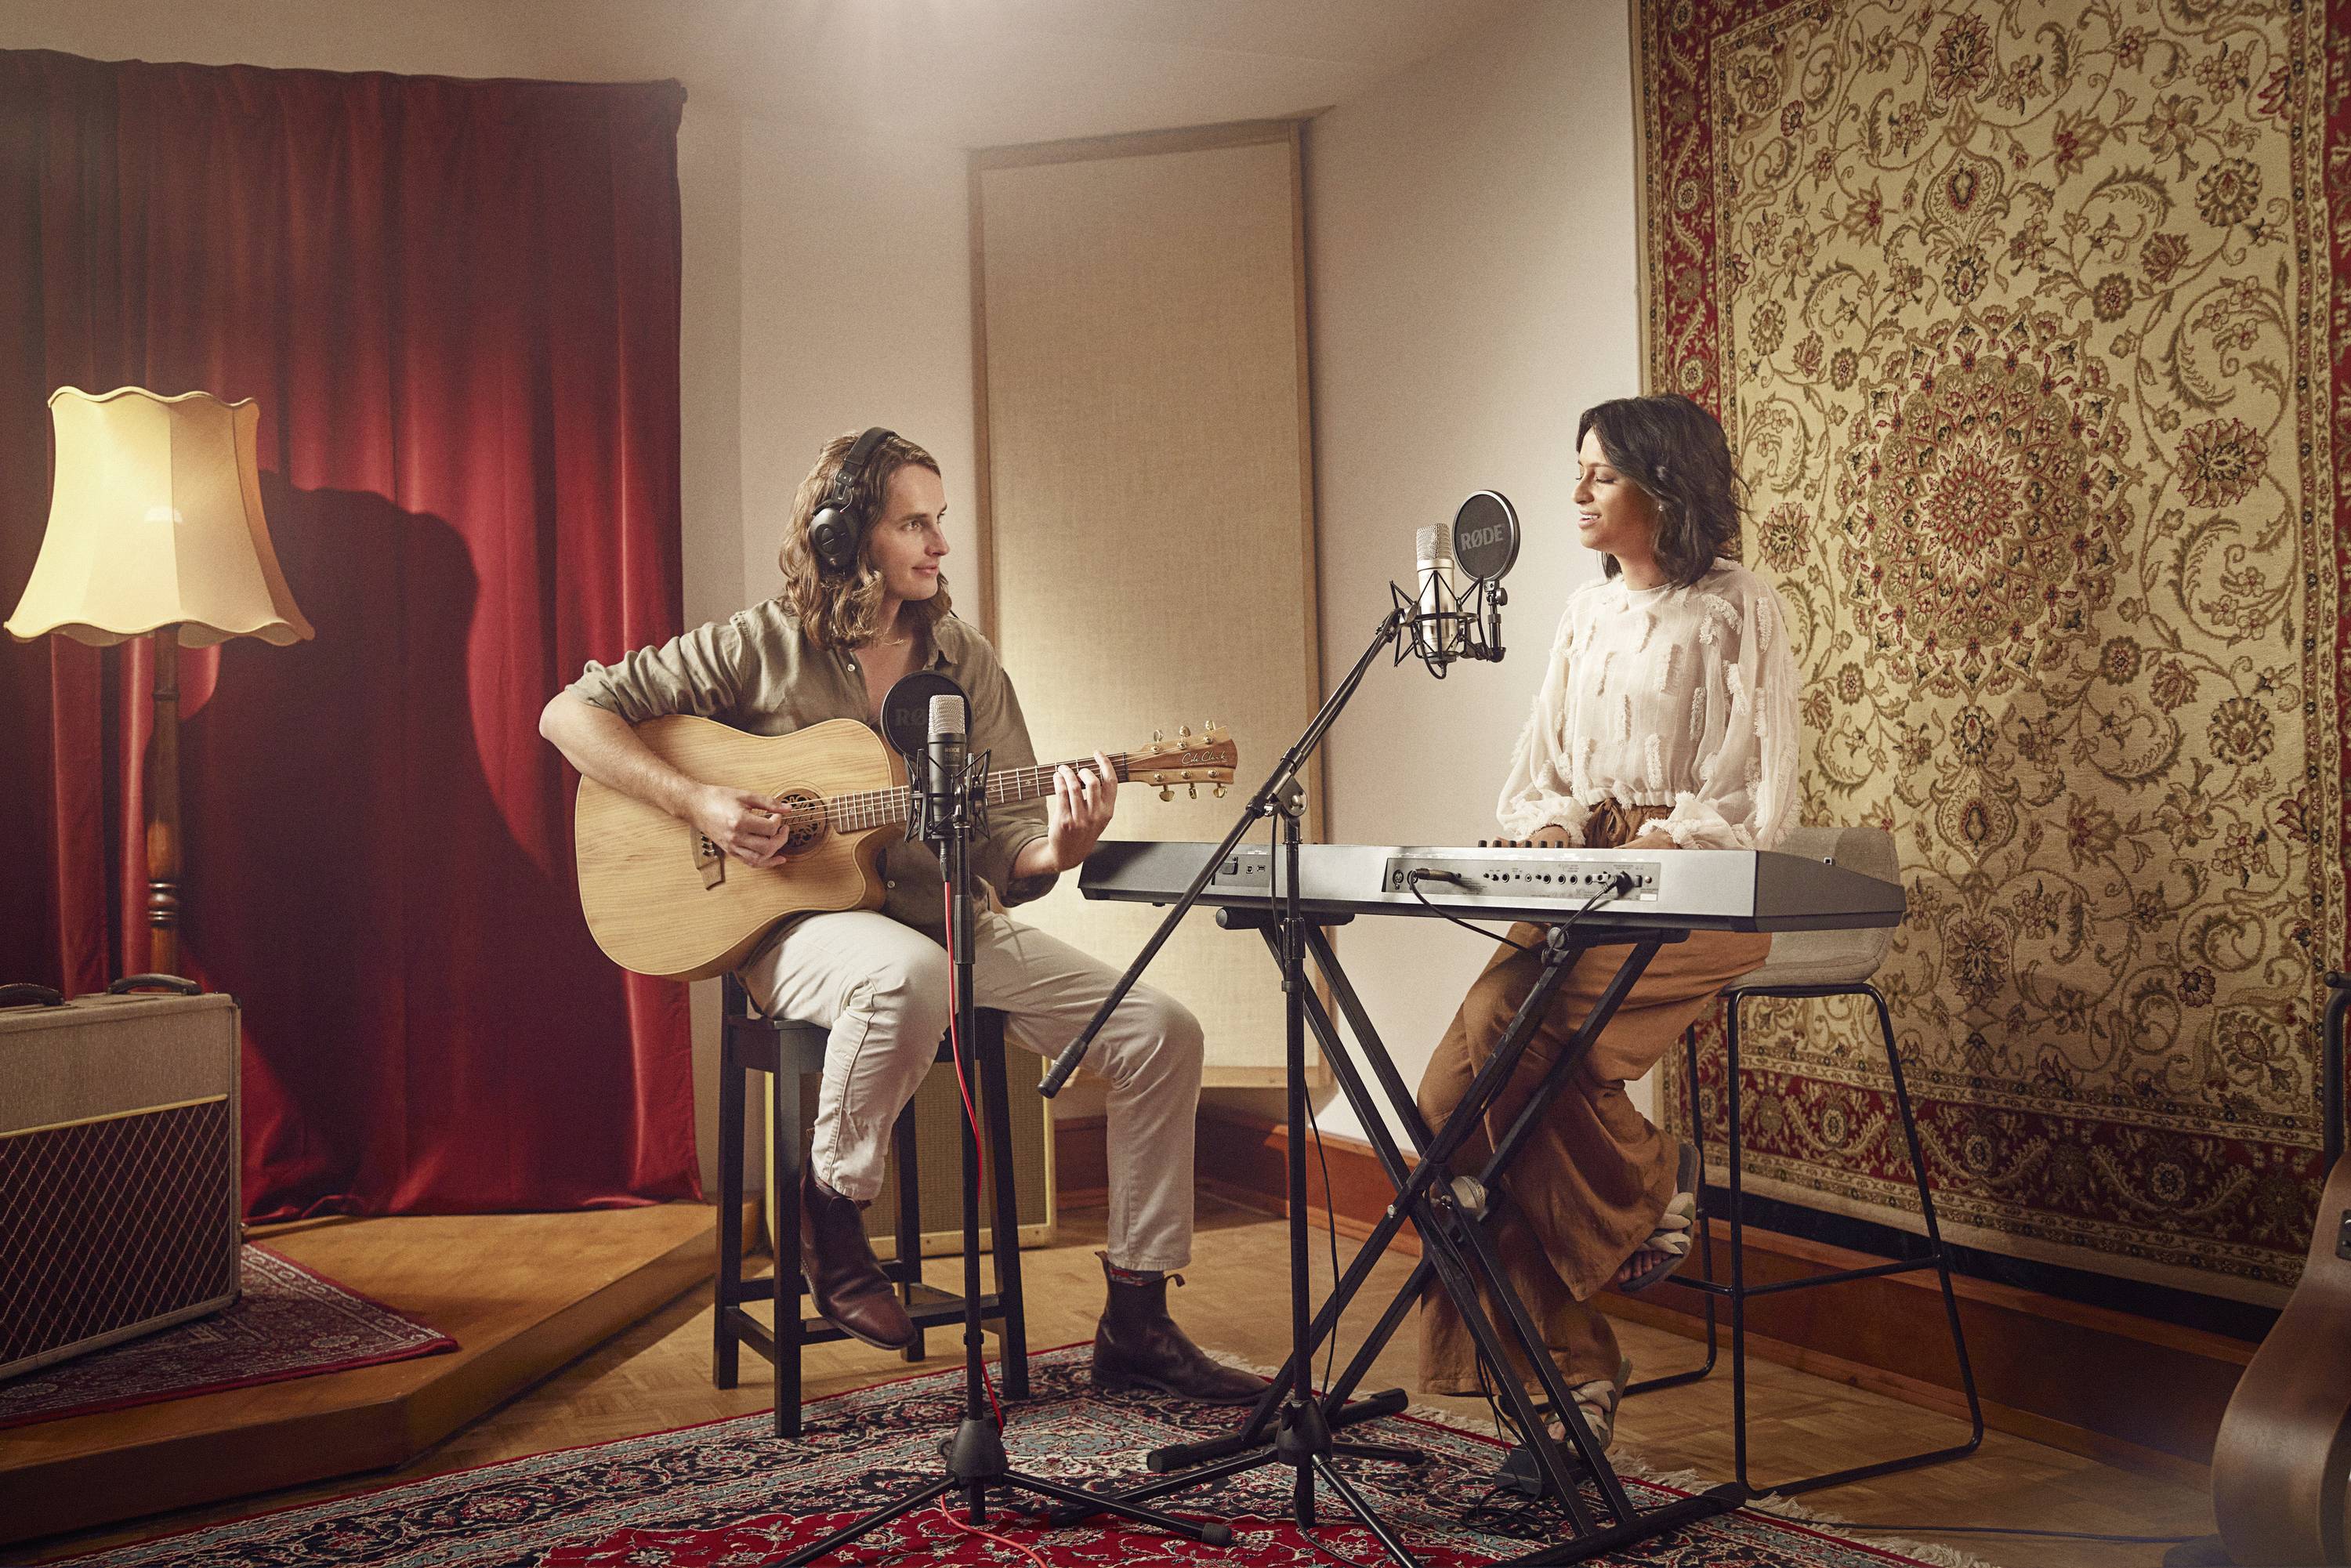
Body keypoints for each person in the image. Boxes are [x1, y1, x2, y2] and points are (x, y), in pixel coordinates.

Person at [541, 428, 1264, 1403]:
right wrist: (702, 804)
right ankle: (828, 1211)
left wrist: (1068, 842)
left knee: (1158, 1029)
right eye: (914, 522)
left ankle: (1135, 1314)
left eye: (941, 521)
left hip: (945, 919)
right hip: (794, 931)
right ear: (846, 538)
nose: (938, 544)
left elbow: (1014, 849)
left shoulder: (964, 661)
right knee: (905, 976)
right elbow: (568, 714)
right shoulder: (761, 644)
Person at [1416, 394, 1797, 1450]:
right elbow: (1541, 766)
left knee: (1501, 1053)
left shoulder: (1735, 605)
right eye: (1576, 469)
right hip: (1581, 883)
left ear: (1662, 486)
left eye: (1600, 474)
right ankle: (1620, 1240)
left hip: (1698, 890)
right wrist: (1544, 830)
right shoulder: (1584, 614)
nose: (1576, 491)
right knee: (1445, 1109)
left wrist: (1660, 844)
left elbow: (1754, 784)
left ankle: (1582, 1337)